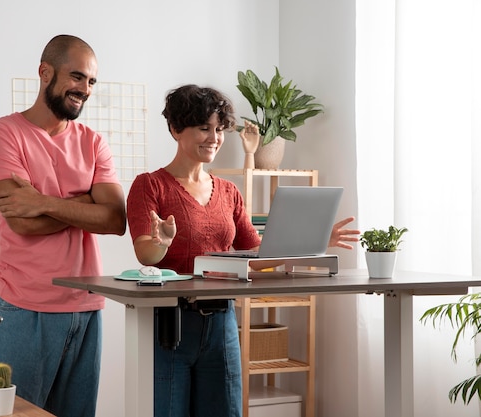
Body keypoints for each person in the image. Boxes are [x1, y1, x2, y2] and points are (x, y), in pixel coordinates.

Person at [126, 84, 359, 417]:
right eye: (204, 127)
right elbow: (145, 256)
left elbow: (257, 256)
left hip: (222, 323)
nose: (214, 137)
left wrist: (315, 240)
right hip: (170, 324)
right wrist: (161, 243)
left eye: (220, 129)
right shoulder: (150, 186)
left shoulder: (228, 191)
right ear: (176, 128)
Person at [0, 34, 126, 417]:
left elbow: (114, 219)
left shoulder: (93, 143)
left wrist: (43, 202)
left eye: (92, 81)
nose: (85, 89)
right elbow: (21, 223)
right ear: (45, 72)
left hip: (87, 307)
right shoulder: (3, 135)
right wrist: (85, 203)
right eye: (77, 77)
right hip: (24, 309)